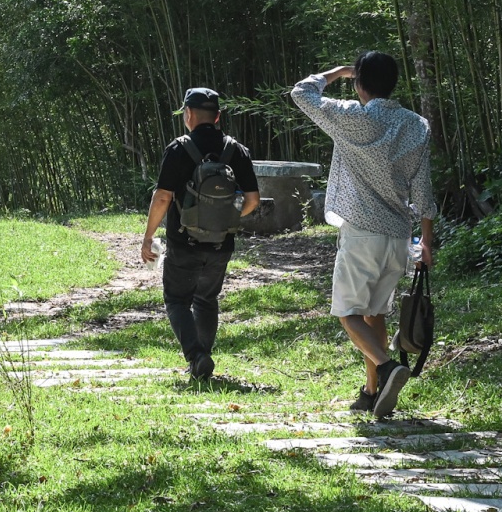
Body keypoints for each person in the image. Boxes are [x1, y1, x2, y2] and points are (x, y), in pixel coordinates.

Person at [291, 52, 437, 417]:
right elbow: (423, 192)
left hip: (361, 237)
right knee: (375, 313)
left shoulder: (350, 116)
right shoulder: (416, 125)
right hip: (398, 239)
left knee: (348, 314)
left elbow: (301, 92)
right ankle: (372, 392)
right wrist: (427, 241)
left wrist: (336, 72)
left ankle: (388, 368)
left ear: (358, 83)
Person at [140, 88, 261, 381]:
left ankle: (197, 357)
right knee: (207, 299)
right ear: (217, 116)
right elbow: (253, 200)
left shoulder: (179, 149)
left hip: (184, 241)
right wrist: (228, 218)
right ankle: (201, 359)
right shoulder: (236, 149)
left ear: (188, 114)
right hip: (221, 243)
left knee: (177, 300)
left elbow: (162, 197)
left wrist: (148, 237)